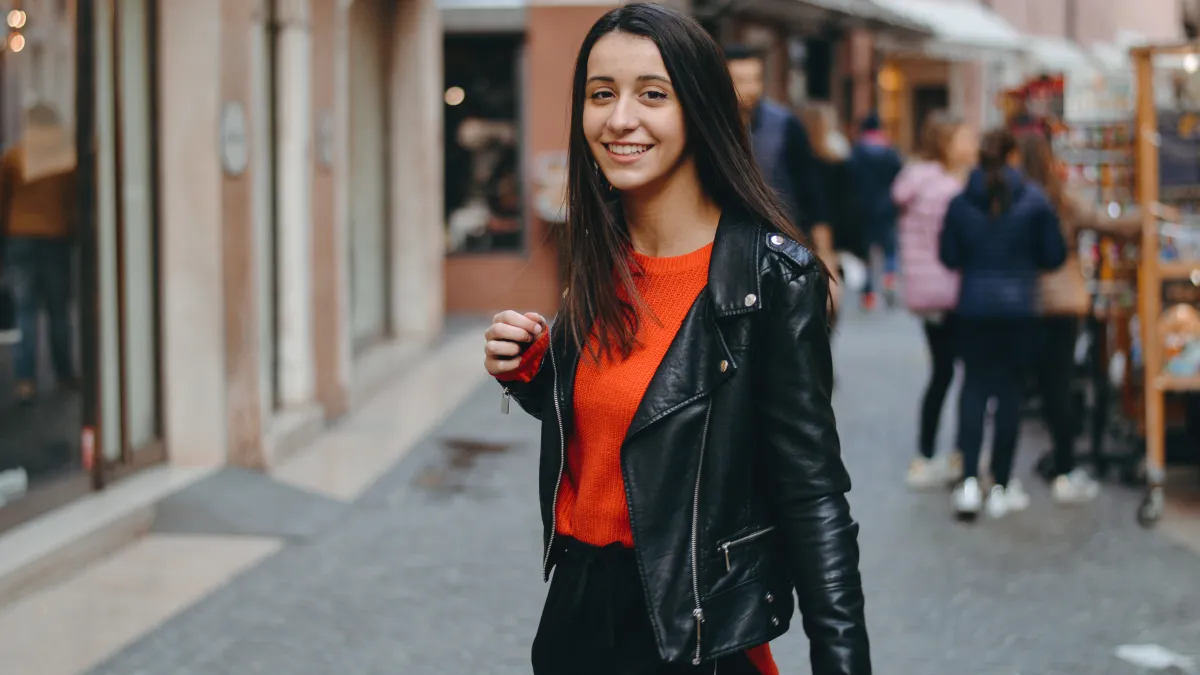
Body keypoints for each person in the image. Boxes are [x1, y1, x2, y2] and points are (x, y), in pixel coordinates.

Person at [483, 4, 869, 673]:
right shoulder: (600, 254)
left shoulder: (771, 277)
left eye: (651, 94)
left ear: (700, 108)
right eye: (601, 94)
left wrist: (842, 661)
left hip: (695, 636)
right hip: (574, 619)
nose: (619, 118)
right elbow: (636, 430)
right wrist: (537, 372)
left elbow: (812, 492)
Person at [939, 129, 1066, 520]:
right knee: (1009, 395)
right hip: (1018, 312)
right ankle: (1001, 483)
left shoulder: (961, 202)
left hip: (974, 309)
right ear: (1013, 157)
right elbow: (1053, 254)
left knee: (974, 391)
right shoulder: (1034, 201)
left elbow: (948, 255)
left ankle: (968, 484)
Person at [1016, 132, 1143, 505]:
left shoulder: (1013, 198)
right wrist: (1146, 218)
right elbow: (1109, 224)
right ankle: (1066, 464)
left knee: (1031, 382)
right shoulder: (1060, 199)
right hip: (1064, 299)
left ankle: (1024, 468)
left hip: (1024, 299)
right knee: (1058, 382)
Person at [893, 111, 977, 490]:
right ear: (946, 143)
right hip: (951, 289)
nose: (971, 145)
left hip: (926, 292)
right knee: (963, 373)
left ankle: (927, 453)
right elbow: (959, 241)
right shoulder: (944, 188)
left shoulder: (917, 180)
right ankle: (957, 453)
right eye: (964, 138)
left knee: (942, 372)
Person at [725, 45, 841, 310]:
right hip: (726, 244)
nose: (752, 88)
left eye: (756, 79)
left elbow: (812, 191)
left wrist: (826, 253)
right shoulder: (706, 125)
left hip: (784, 240)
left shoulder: (785, 124)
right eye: (741, 80)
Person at [0, 103, 78, 405]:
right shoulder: (65, 158)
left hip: (20, 237)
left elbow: (2, 198)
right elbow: (74, 199)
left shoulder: (16, 155)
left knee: (25, 311)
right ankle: (64, 374)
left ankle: (25, 380)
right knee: (59, 311)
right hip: (56, 236)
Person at [848, 113, 902, 311]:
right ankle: (889, 277)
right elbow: (899, 175)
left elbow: (850, 178)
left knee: (866, 253)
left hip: (863, 209)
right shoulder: (890, 151)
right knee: (890, 248)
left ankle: (869, 293)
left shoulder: (857, 152)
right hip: (887, 206)